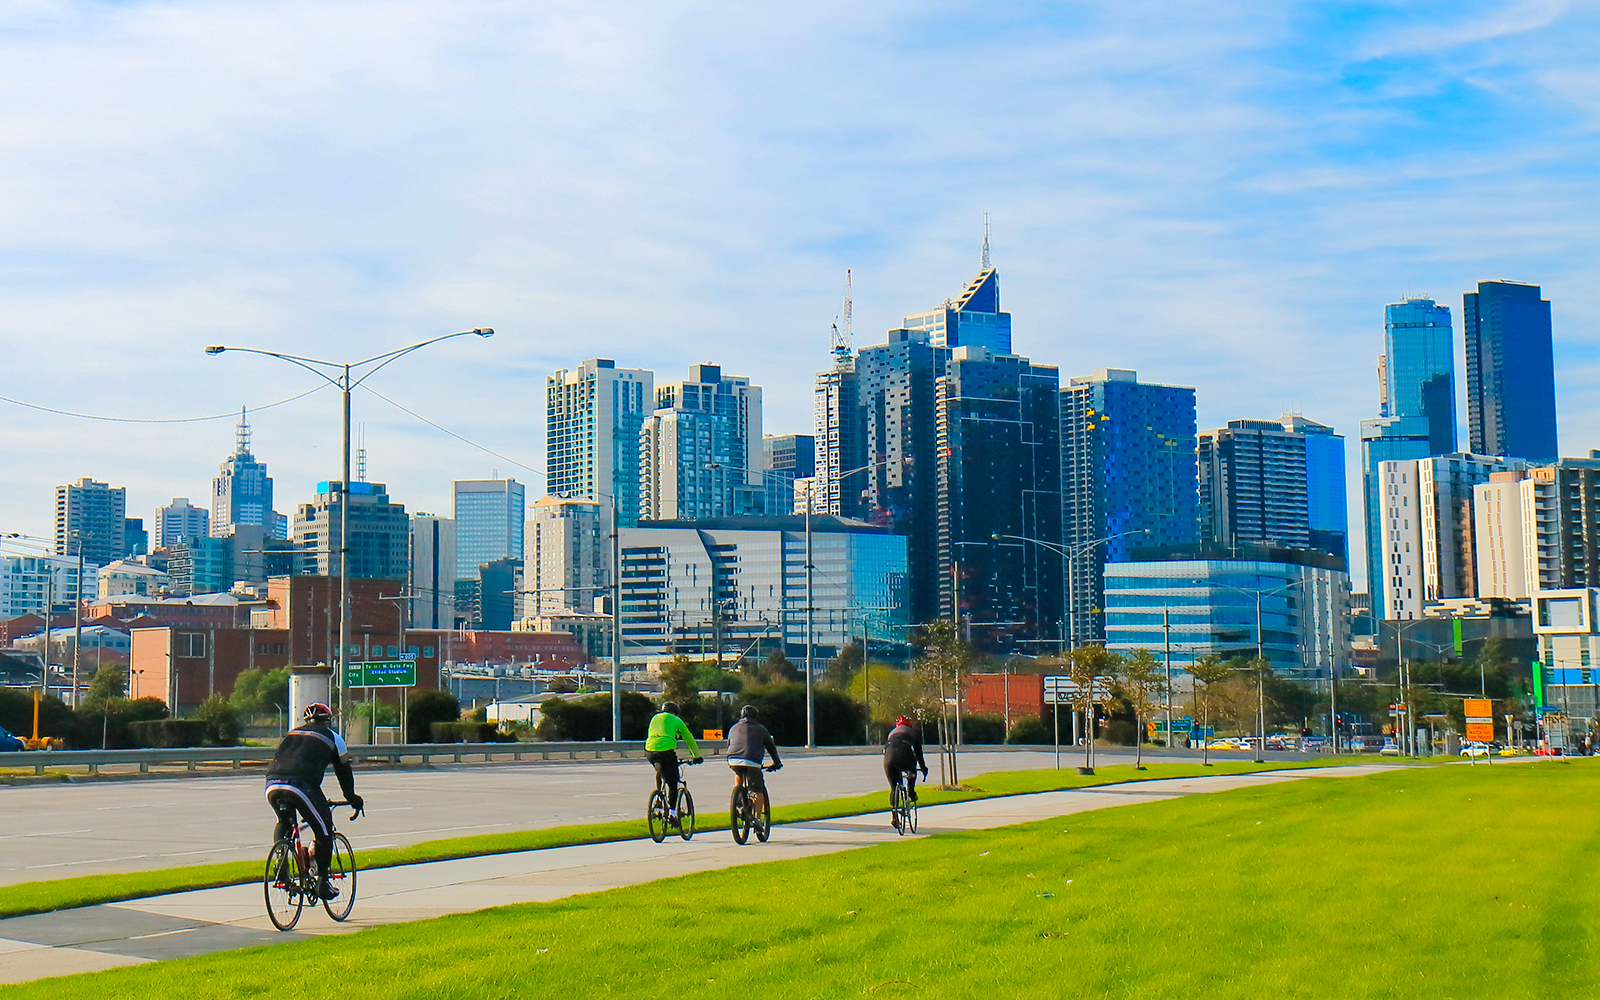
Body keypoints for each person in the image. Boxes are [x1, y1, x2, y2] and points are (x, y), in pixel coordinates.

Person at [265, 703, 363, 900]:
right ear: (327, 721)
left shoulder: (291, 734)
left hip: (272, 783)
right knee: (324, 831)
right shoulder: (333, 737)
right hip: (301, 785)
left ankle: (282, 868)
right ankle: (323, 882)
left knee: (284, 822)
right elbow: (343, 771)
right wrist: (352, 798)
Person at [645, 701, 702, 817]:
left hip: (649, 751)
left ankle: (659, 796)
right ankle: (672, 813)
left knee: (660, 769)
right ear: (675, 713)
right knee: (672, 782)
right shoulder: (676, 720)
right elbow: (688, 738)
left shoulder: (654, 718)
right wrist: (696, 756)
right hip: (666, 752)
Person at [726, 704, 781, 811]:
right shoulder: (761, 729)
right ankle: (758, 819)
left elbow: (729, 744)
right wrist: (776, 762)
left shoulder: (733, 728)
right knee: (758, 790)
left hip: (733, 759)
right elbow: (771, 748)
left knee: (738, 773)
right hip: (752, 761)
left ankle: (739, 794)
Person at [884, 715, 928, 802]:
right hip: (904, 754)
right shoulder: (913, 731)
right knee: (911, 770)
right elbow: (918, 752)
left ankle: (894, 811)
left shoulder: (891, 732)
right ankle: (911, 792)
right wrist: (923, 767)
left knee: (893, 788)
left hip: (889, 758)